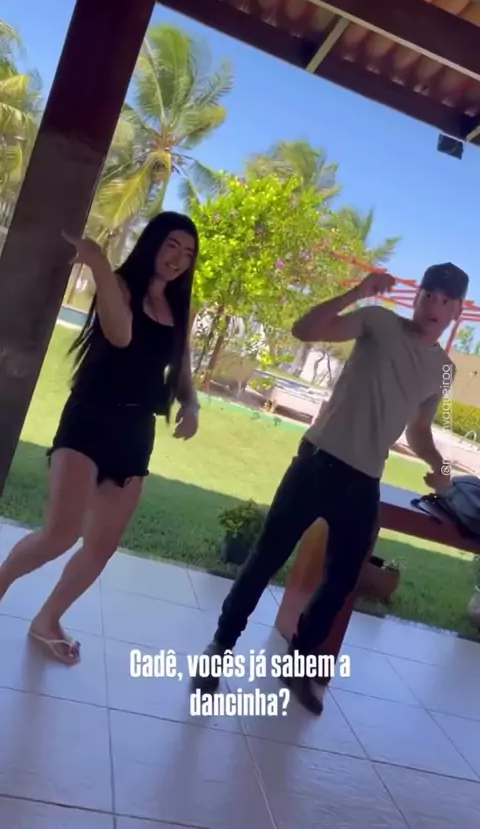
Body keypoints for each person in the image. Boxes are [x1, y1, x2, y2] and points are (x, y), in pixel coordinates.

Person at [192, 262, 468, 714]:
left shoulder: (443, 370)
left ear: (457, 311)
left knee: (341, 583)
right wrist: (357, 292)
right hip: (317, 463)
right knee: (265, 560)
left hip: (365, 482)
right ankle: (219, 648)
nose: (434, 306)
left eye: (445, 300)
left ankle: (298, 663)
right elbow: (305, 330)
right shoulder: (377, 321)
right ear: (417, 297)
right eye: (428, 295)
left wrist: (441, 466)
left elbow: (419, 430)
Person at [0, 211, 200, 663]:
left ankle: (47, 619)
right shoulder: (121, 285)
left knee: (102, 546)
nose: (178, 258)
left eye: (188, 253)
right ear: (153, 243)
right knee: (60, 534)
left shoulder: (180, 309)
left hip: (136, 431)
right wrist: (97, 263)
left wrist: (191, 405)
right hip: (91, 419)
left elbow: (182, 371)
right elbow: (120, 334)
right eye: (172, 245)